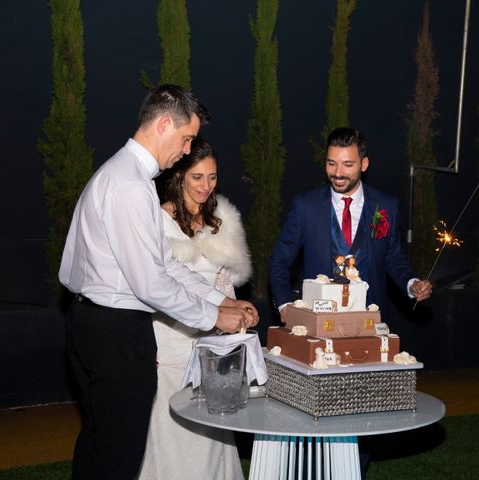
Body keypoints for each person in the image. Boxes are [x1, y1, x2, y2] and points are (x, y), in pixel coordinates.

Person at [59, 85, 258, 480]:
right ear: (164, 123)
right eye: (186, 139)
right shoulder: (130, 185)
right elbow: (151, 283)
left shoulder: (128, 176)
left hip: (95, 324)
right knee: (118, 454)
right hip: (114, 331)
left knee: (101, 442)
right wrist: (214, 318)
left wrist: (221, 303)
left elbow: (167, 263)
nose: (186, 150)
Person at [138, 139, 250, 480]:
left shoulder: (222, 219)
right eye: (198, 177)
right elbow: (152, 286)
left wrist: (236, 313)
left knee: (210, 422)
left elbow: (224, 285)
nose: (206, 186)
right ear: (180, 176)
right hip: (168, 337)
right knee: (169, 423)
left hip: (208, 337)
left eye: (212, 177)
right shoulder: (157, 219)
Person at [269, 126, 432, 322]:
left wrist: (411, 283)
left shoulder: (386, 206)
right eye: (331, 163)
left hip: (371, 319)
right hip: (318, 319)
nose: (338, 173)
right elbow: (279, 259)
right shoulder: (305, 207)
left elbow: (392, 256)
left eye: (347, 165)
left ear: (364, 164)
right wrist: (285, 304)